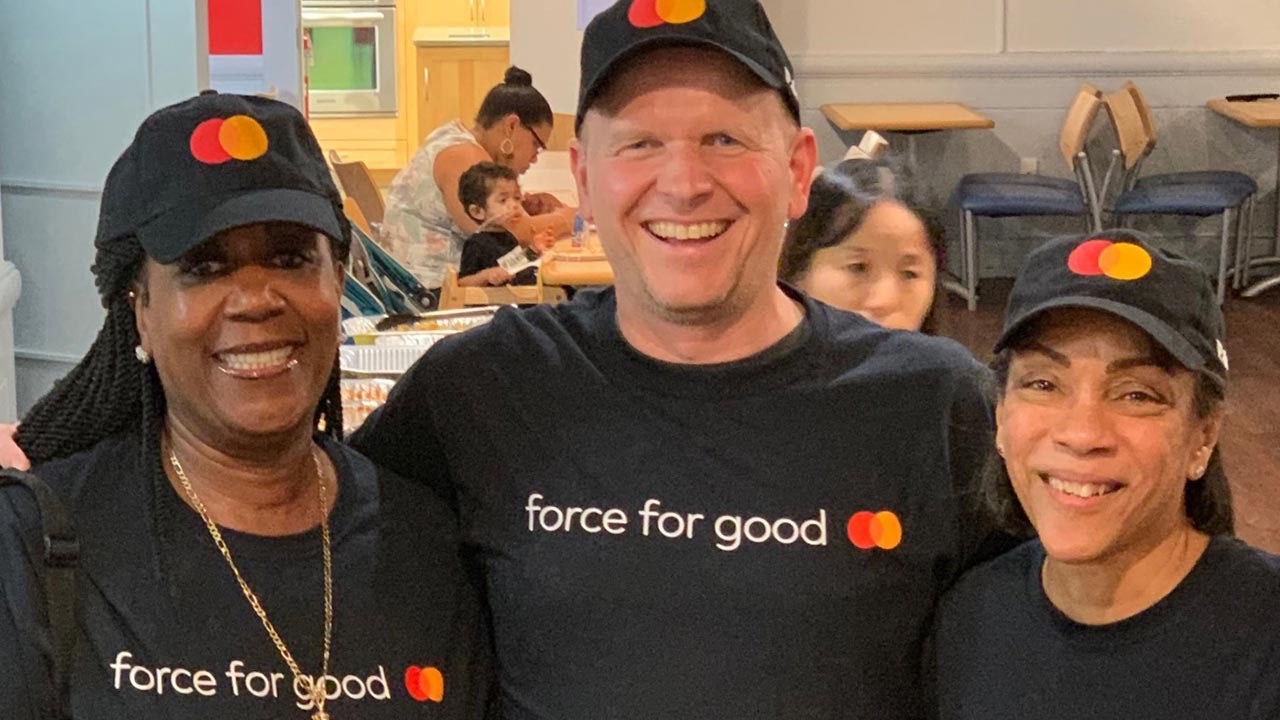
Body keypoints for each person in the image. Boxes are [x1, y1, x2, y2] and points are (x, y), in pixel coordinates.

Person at [351, 1, 998, 717]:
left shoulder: (934, 405)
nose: (684, 182)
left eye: (724, 138)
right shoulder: (477, 391)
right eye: (639, 144)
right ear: (585, 181)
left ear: (798, 169)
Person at [0, 93, 491, 719]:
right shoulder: (36, 547)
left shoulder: (424, 543)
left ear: (338, 281)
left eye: (290, 258)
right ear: (139, 311)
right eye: (204, 267)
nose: (255, 297)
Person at [935, 231, 1280, 718]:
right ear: (1000, 415)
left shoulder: (1265, 643)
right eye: (1042, 383)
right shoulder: (970, 619)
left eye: (1136, 394)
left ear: (1203, 436)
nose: (1081, 433)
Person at [380, 66, 571, 299]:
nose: (534, 157)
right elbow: (519, 233)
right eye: (536, 144)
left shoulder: (454, 139)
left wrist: (520, 205)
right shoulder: (465, 156)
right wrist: (574, 217)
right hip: (433, 296)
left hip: (436, 287)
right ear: (511, 126)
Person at [780, 156, 945, 332]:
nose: (884, 300)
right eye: (858, 267)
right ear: (798, 276)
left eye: (909, 274)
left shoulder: (947, 359)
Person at [456, 161, 556, 287]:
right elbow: (463, 283)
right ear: (477, 212)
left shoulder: (509, 236)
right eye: (503, 200)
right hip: (501, 302)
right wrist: (486, 275)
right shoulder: (476, 243)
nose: (514, 205)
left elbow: (513, 265)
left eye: (516, 198)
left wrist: (534, 249)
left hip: (521, 295)